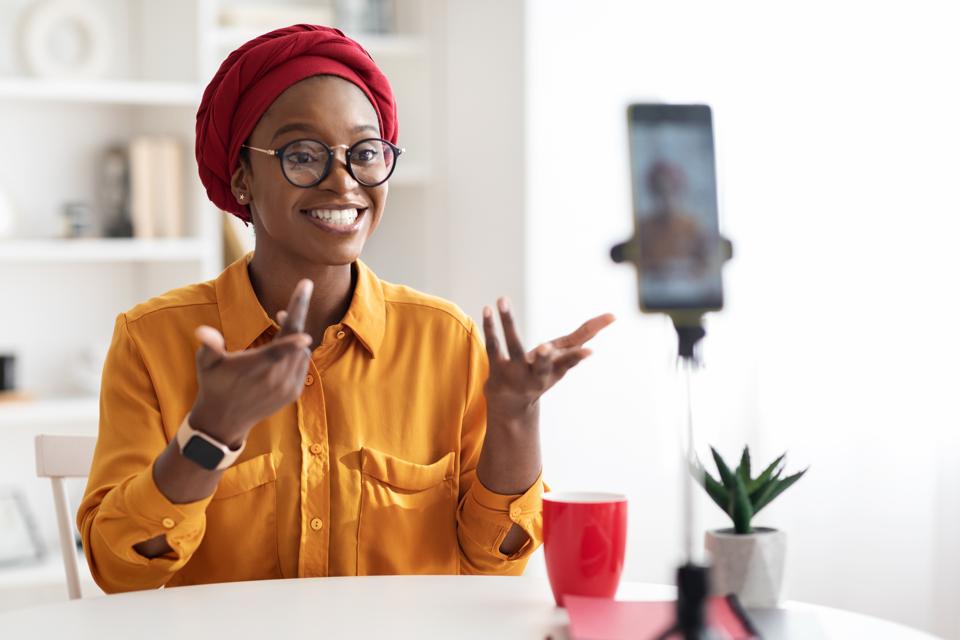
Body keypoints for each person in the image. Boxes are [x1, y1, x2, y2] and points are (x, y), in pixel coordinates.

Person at [77, 25, 614, 592]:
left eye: (364, 153)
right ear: (241, 177)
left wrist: (515, 419)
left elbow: (497, 561)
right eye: (304, 155)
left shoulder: (446, 340)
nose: (343, 181)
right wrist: (209, 433)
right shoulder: (150, 340)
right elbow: (119, 570)